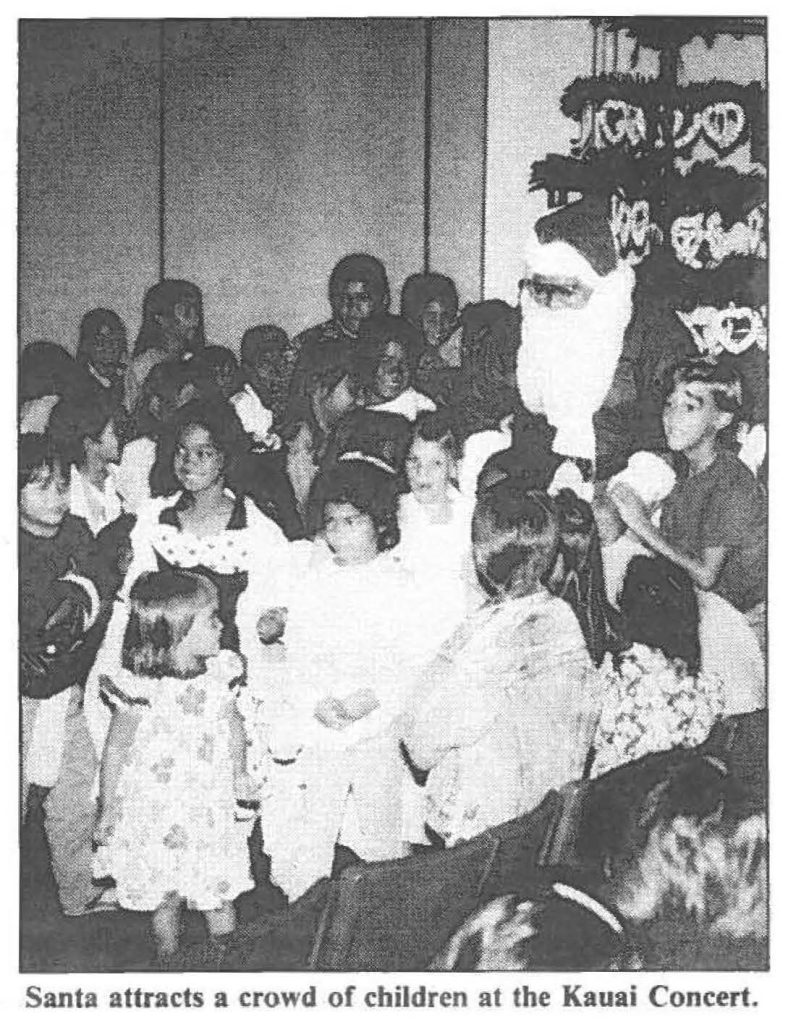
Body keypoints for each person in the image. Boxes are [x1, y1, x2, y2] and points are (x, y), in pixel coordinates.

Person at [84, 398, 292, 766]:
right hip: (158, 682)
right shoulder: (154, 519)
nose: (189, 462)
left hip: (223, 686)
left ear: (226, 457)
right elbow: (130, 606)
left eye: (203, 453)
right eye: (181, 451)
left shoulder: (257, 531)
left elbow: (270, 608)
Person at [263, 461, 431, 901]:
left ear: (379, 523)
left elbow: (408, 659)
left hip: (374, 723)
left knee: (381, 826)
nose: (338, 532)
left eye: (352, 521)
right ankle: (303, 908)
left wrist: (369, 700)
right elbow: (298, 651)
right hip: (325, 723)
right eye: (331, 522)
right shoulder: (315, 582)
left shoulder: (398, 583)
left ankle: (383, 909)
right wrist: (317, 700)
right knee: (314, 823)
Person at [404, 483, 601, 847]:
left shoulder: (490, 640)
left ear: (481, 555)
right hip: (541, 830)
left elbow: (419, 745)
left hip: (483, 836)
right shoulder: (563, 619)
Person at [93, 570, 255, 962]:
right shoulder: (140, 688)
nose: (222, 624)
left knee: (217, 890)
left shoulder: (222, 673)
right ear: (177, 629)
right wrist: (108, 805)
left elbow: (233, 723)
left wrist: (239, 772)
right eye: (210, 617)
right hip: (155, 807)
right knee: (164, 891)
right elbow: (116, 747)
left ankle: (225, 962)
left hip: (207, 806)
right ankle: (169, 960)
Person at [609, 357, 766, 650]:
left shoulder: (731, 484)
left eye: (690, 407)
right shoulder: (687, 468)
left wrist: (641, 524)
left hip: (742, 620)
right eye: (670, 405)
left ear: (722, 419)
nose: (672, 418)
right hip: (699, 605)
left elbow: (706, 576)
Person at [19, 434, 111, 914]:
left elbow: (101, 589)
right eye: (40, 489)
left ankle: (79, 890)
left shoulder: (76, 533)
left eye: (60, 487)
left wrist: (79, 596)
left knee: (75, 788)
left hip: (65, 684)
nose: (55, 498)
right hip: (20, 696)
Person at [590, 556, 724, 779]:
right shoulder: (709, 688)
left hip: (613, 804)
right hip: (671, 804)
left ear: (626, 610)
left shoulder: (609, 680)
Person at [397, 411, 478, 643]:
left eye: (436, 463)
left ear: (454, 467)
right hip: (406, 629)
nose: (422, 473)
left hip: (458, 631)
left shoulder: (471, 516)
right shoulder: (395, 511)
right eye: (414, 461)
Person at [283, 253, 390, 392]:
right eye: (344, 297)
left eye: (363, 298)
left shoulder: (401, 340)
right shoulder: (307, 344)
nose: (352, 306)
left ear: (384, 299)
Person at [281, 341, 359, 517]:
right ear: (317, 386)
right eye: (353, 391)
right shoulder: (296, 449)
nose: (361, 400)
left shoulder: (338, 435)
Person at [115, 359, 201, 514]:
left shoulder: (200, 448)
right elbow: (142, 511)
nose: (193, 415)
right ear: (156, 406)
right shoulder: (138, 452)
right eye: (184, 408)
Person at [48, 389, 123, 536]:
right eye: (113, 432)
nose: (120, 437)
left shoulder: (120, 475)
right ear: (90, 443)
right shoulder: (67, 490)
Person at [126, 280, 205, 412]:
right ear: (159, 317)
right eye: (184, 311)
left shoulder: (197, 359)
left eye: (196, 310)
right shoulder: (143, 366)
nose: (194, 319)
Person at [355, 313, 436, 420]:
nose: (396, 372)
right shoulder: (347, 401)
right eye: (386, 360)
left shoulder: (420, 409)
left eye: (405, 363)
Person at [400, 272, 463, 401]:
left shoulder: (458, 351)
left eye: (446, 316)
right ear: (415, 319)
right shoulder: (402, 354)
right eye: (431, 318)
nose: (439, 326)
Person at [75, 308, 129, 421]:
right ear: (86, 345)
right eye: (100, 342)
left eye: (115, 341)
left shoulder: (128, 378)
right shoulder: (77, 383)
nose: (109, 348)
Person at [236, 324, 291, 427]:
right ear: (247, 369)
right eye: (266, 362)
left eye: (282, 360)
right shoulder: (242, 405)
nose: (277, 370)